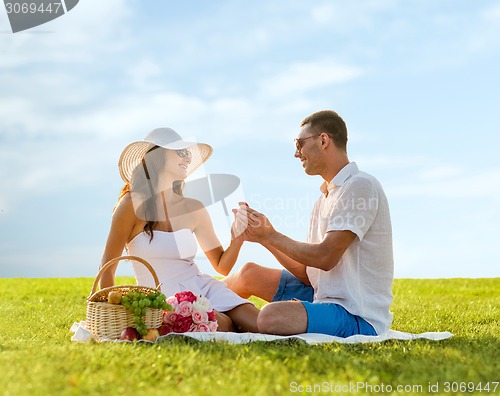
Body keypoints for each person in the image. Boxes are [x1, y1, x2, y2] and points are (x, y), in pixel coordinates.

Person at [225, 110, 394, 337]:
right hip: (320, 295)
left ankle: (222, 323)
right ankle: (190, 310)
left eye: (299, 143)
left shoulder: (360, 185)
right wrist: (264, 236)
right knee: (248, 274)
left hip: (355, 314)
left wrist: (272, 236)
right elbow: (308, 274)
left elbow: (325, 257)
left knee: (270, 317)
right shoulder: (324, 198)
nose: (297, 153)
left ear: (323, 140)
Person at [99, 127, 259, 332]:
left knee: (262, 322)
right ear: (157, 156)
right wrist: (111, 310)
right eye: (181, 152)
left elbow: (222, 266)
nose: (188, 158)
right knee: (226, 324)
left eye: (188, 153)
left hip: (204, 287)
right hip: (165, 300)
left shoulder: (193, 207)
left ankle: (302, 311)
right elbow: (108, 265)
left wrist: (237, 239)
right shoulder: (131, 205)